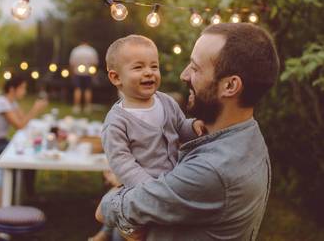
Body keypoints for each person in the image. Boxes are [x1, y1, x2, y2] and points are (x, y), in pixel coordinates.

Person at [96, 23, 280, 241]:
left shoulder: (212, 171)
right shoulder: (248, 135)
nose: (184, 75)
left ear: (230, 86)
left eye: (195, 68)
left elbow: (104, 210)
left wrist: (116, 194)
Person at [89, 35, 204, 241]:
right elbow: (122, 162)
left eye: (154, 66)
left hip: (172, 182)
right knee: (136, 232)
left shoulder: (166, 102)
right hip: (141, 188)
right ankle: (114, 232)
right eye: (138, 67)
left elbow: (180, 127)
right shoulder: (116, 121)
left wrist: (193, 126)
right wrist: (148, 188)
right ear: (116, 78)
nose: (149, 72)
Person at [0, 75, 48, 149]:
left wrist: (37, 109)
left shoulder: (12, 102)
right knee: (25, 148)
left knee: (30, 145)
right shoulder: (2, 102)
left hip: (2, 139)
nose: (24, 91)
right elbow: (19, 126)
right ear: (12, 89)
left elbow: (23, 120)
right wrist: (35, 109)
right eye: (22, 88)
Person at [69, 43, 99, 114]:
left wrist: (72, 73)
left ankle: (77, 107)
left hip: (77, 72)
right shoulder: (91, 50)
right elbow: (95, 63)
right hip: (88, 72)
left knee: (77, 89)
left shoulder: (75, 50)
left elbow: (72, 63)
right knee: (88, 89)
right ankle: (87, 107)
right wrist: (93, 73)